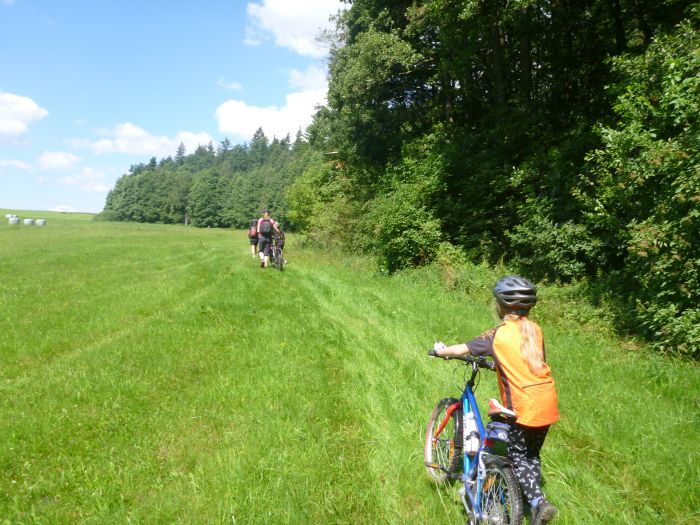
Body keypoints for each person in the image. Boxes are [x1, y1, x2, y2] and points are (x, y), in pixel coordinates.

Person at [431, 275, 559, 525]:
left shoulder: (498, 334)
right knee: (531, 455)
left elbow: (462, 349)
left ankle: (538, 503)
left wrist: (439, 351)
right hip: (548, 401)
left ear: (501, 305)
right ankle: (533, 511)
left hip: (524, 405)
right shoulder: (536, 330)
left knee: (517, 455)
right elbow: (530, 362)